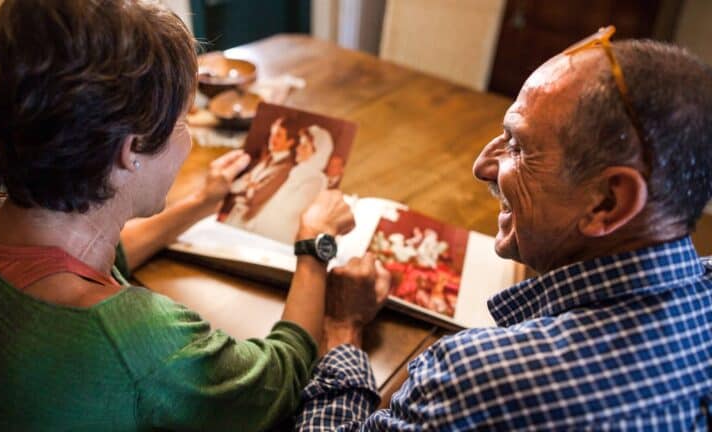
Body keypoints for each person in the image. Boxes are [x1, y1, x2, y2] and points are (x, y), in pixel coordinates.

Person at [0, 1, 369, 430]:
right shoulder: (145, 343)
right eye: (183, 121)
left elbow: (76, 259)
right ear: (131, 151)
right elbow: (277, 381)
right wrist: (315, 247)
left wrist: (200, 201)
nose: (185, 144)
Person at [294, 28, 712, 430]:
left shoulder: (476, 377)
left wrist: (344, 330)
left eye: (518, 145)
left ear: (607, 202)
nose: (483, 166)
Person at [246, 125, 335, 243]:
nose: (297, 149)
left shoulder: (316, 180)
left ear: (318, 153)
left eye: (304, 147)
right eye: (300, 144)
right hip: (265, 230)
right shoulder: (300, 172)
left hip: (278, 236)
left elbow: (290, 211)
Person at [223, 116, 296, 227]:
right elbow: (235, 187)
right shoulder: (268, 158)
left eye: (278, 135)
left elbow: (255, 199)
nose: (272, 139)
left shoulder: (285, 169)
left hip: (247, 224)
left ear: (290, 142)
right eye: (272, 134)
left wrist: (247, 184)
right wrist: (250, 185)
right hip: (234, 216)